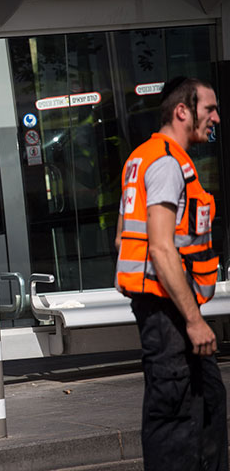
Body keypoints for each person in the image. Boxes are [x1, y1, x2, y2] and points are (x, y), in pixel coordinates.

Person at [115, 77, 228, 470]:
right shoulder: (165, 163)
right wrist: (194, 320)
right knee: (175, 416)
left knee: (209, 399)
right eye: (209, 109)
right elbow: (161, 247)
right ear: (183, 111)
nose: (215, 117)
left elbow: (122, 239)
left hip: (167, 307)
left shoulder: (143, 158)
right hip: (167, 313)